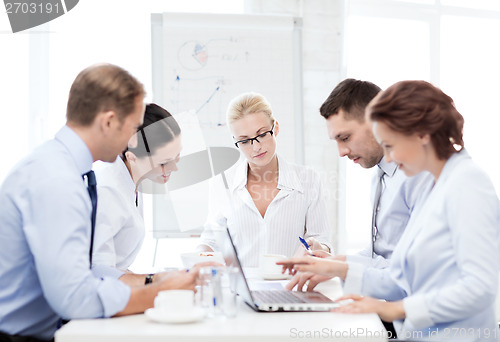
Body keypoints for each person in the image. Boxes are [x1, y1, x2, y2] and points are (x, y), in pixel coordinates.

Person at [279, 80, 500, 341]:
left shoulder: (467, 182)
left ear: (421, 134)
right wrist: (335, 265)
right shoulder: (440, 183)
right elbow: (403, 274)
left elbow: (480, 288)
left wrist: (391, 308)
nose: (390, 159)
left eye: (391, 145)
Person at [0, 64, 197, 342]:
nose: (133, 141)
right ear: (108, 121)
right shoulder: (58, 180)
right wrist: (159, 291)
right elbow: (74, 297)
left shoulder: (61, 167)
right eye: (132, 127)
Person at [285, 79, 433, 294]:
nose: (341, 152)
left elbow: (414, 275)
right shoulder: (380, 176)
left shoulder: (418, 176)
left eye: (345, 138)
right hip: (394, 310)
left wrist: (343, 268)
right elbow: (382, 255)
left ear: (377, 123)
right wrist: (334, 263)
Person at [197, 92, 332, 267]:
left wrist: (316, 247)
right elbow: (212, 240)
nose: (256, 147)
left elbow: (323, 242)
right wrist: (199, 255)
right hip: (241, 290)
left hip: (290, 287)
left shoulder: (308, 180)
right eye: (244, 141)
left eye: (262, 134)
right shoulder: (221, 184)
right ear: (235, 141)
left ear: (275, 128)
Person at [92, 103, 181, 281]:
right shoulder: (108, 191)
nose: (174, 167)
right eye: (164, 162)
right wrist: (152, 281)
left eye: (177, 156)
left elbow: (115, 266)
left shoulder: (131, 179)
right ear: (131, 157)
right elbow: (98, 270)